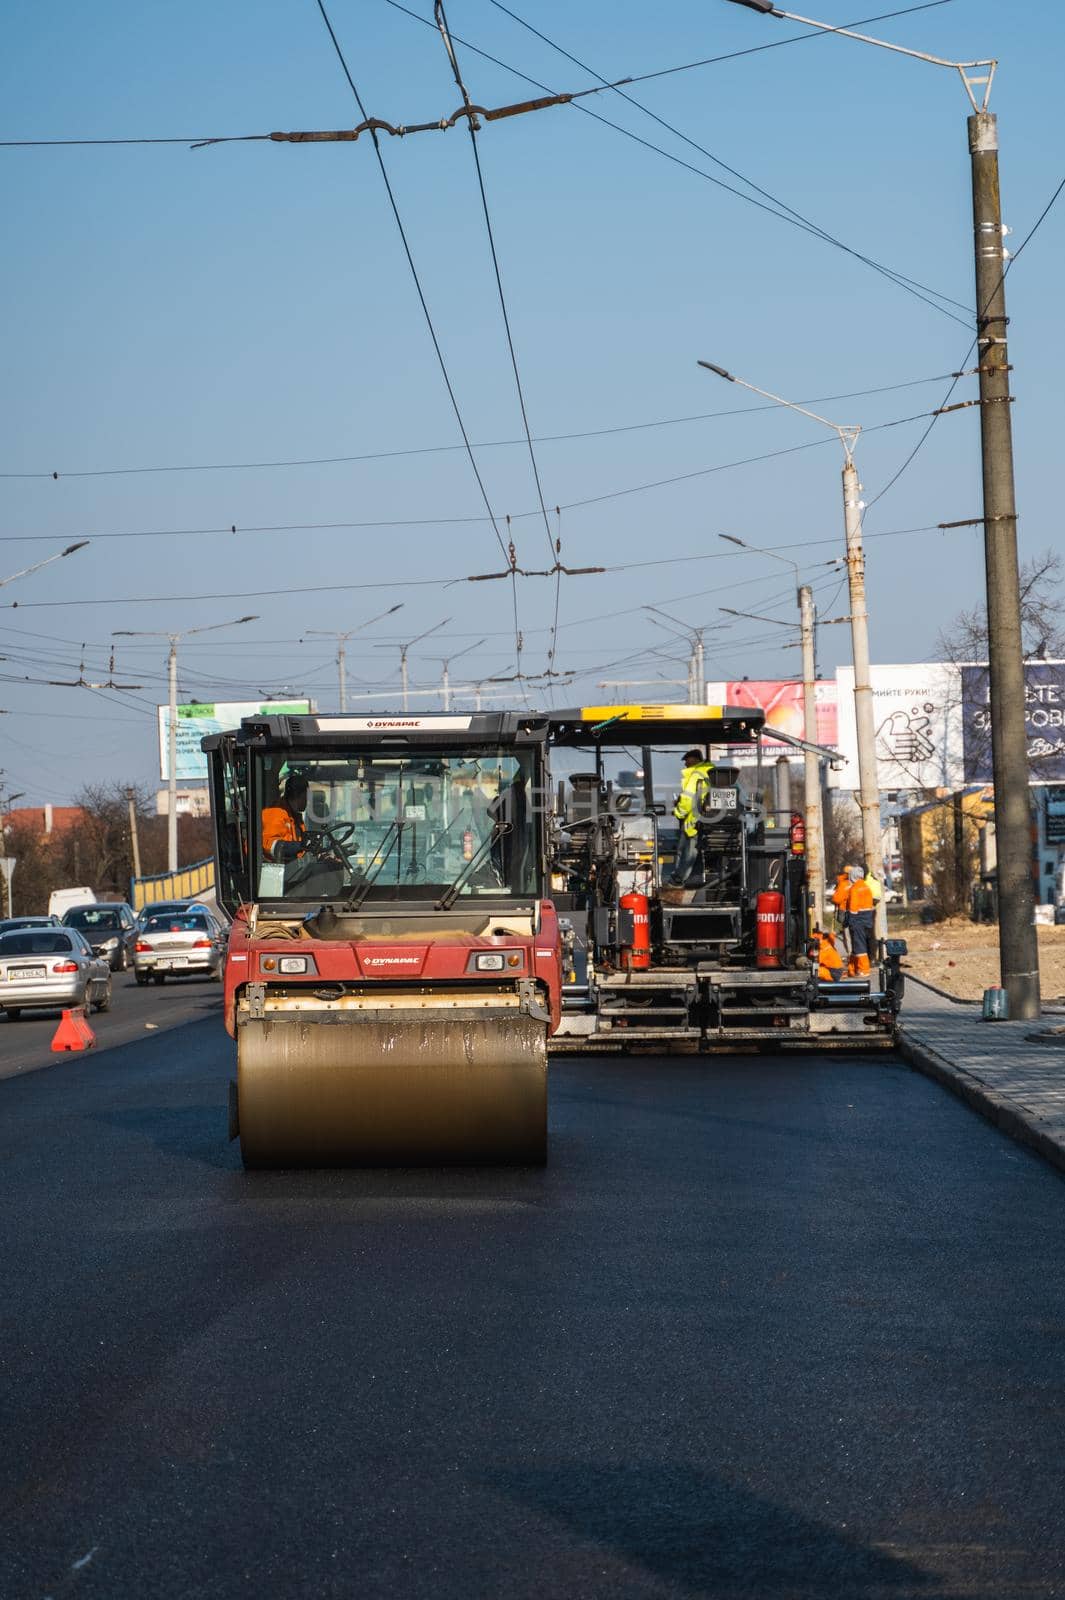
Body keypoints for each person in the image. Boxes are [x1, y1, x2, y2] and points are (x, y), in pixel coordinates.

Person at [668, 747, 715, 888]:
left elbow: (687, 800)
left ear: (694, 760)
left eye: (687, 761)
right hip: (714, 820)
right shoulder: (714, 772)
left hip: (694, 821)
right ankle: (699, 879)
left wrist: (678, 812)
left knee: (686, 852)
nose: (685, 764)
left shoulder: (696, 774)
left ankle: (678, 880)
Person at [844, 863, 876, 976]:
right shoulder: (866, 887)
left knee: (859, 946)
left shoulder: (854, 889)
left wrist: (850, 921)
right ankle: (852, 969)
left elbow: (853, 907)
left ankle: (864, 969)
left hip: (857, 920)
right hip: (866, 919)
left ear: (852, 876)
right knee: (858, 945)